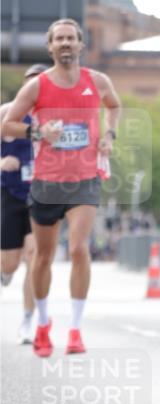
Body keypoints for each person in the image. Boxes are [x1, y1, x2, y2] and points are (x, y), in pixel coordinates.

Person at [3, 19, 121, 357]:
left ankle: (75, 330)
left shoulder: (97, 81)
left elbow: (113, 106)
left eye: (71, 38)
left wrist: (109, 136)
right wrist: (38, 133)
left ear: (81, 45)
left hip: (84, 179)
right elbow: (7, 124)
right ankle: (42, 323)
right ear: (51, 47)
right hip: (46, 181)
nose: (66, 43)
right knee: (42, 258)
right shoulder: (37, 87)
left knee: (80, 249)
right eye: (60, 39)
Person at [1, 63, 49, 343]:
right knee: (9, 263)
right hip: (9, 194)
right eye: (29, 83)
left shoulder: (53, 119)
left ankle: (28, 321)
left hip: (40, 195)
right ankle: (5, 274)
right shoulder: (8, 113)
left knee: (35, 257)